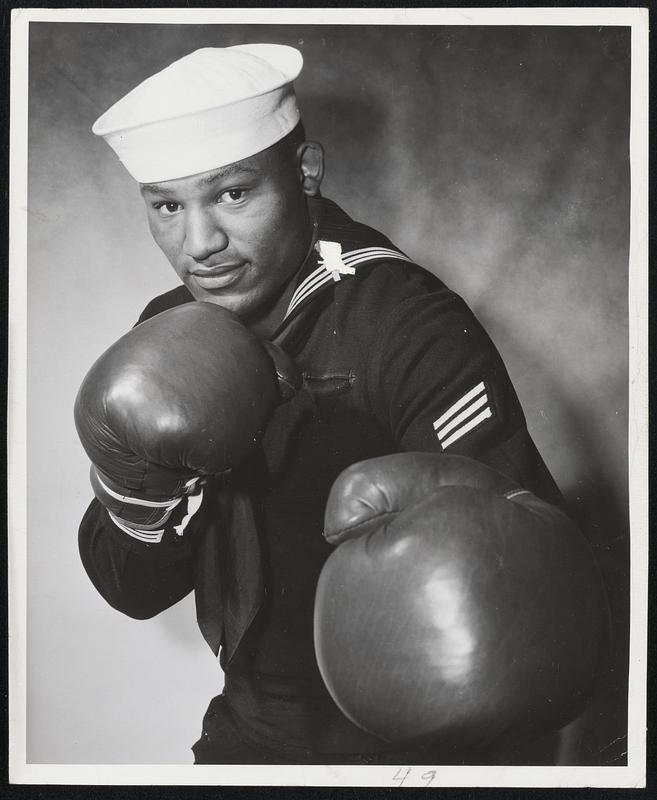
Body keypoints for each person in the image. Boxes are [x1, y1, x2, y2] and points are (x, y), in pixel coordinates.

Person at [75, 44, 609, 765]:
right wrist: (135, 491)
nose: (200, 244)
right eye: (168, 205)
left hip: (411, 749)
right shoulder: (170, 324)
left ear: (303, 173)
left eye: (232, 194)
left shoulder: (403, 322)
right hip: (253, 730)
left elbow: (535, 603)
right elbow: (130, 588)